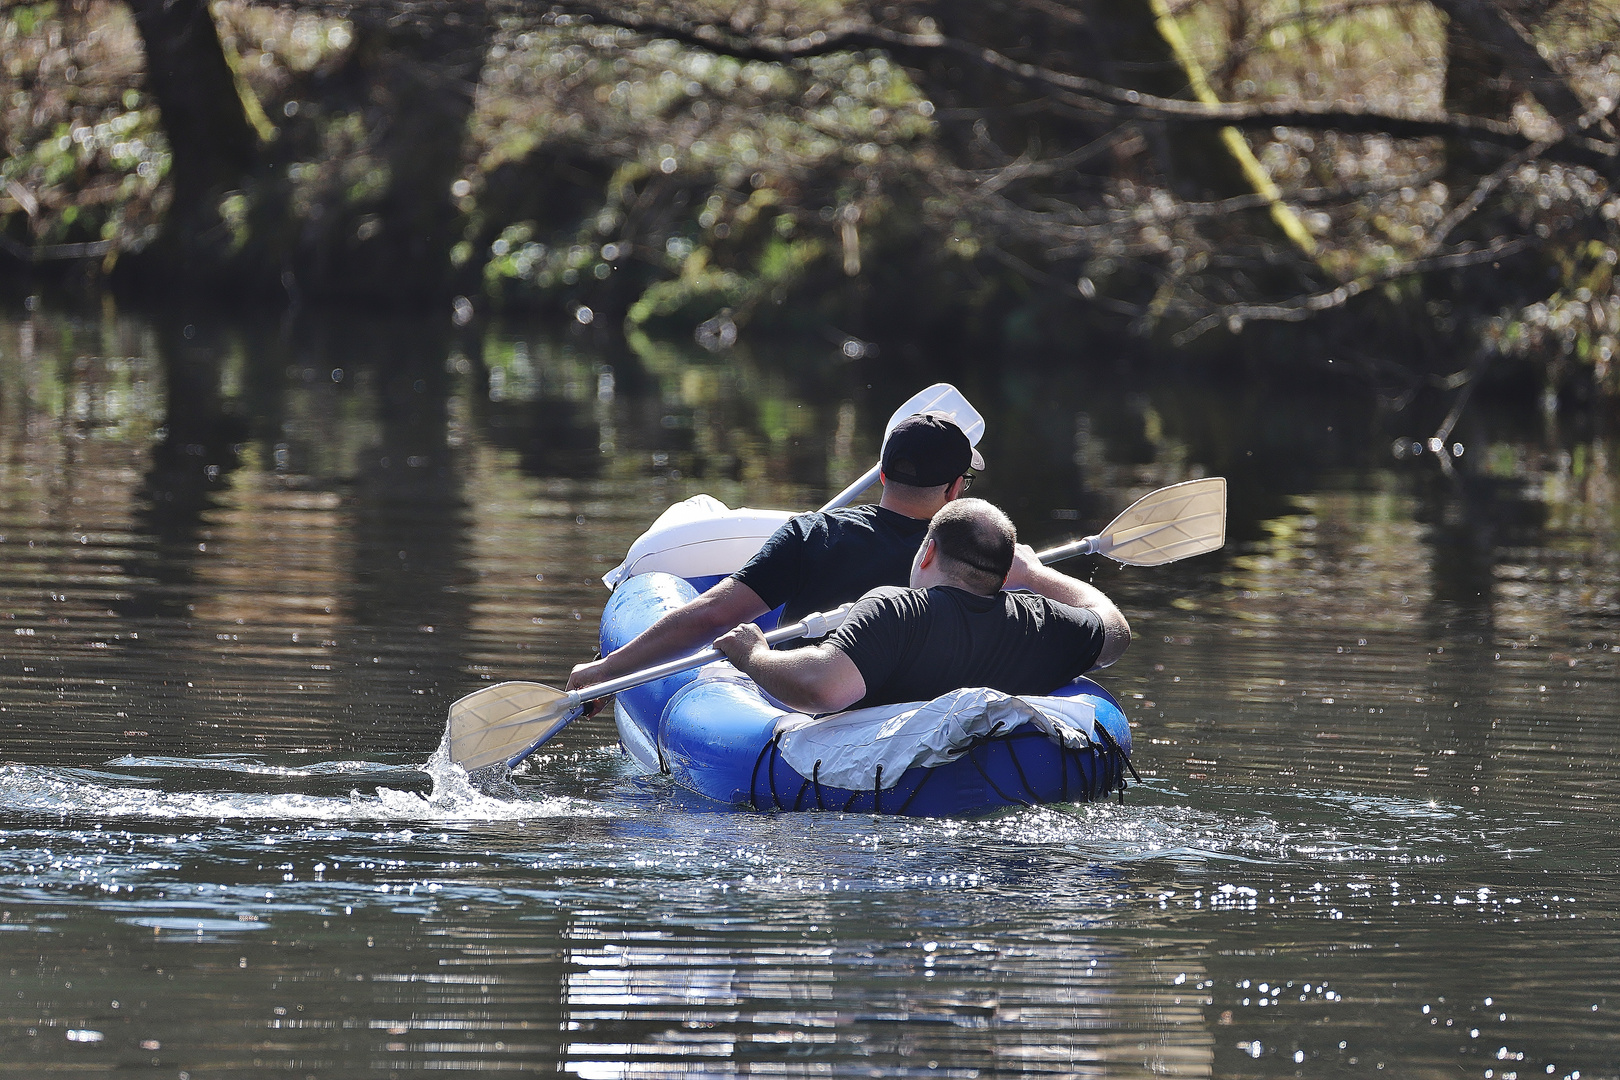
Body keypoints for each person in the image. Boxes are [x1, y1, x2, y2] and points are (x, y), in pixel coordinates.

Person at [566, 410, 985, 692]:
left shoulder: (812, 534)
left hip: (800, 706)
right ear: (953, 489)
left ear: (881, 475)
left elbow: (711, 616)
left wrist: (606, 670)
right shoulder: (972, 559)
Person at [712, 498, 1130, 714]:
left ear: (927, 552)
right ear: (1005, 577)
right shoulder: (1040, 623)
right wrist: (1036, 576)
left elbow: (823, 688)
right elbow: (1114, 631)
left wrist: (753, 655)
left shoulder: (893, 611)